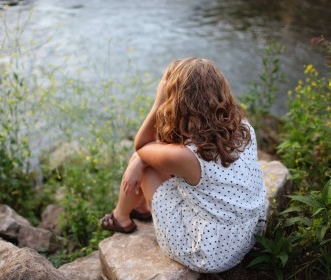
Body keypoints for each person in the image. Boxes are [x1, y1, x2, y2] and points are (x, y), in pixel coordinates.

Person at [100, 57, 266, 273]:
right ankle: (140, 208)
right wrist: (143, 157)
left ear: (177, 99)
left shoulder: (186, 157)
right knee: (147, 158)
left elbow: (141, 145)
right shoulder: (242, 127)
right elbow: (166, 149)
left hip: (211, 252)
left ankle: (121, 218)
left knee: (146, 166)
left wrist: (159, 101)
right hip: (249, 231)